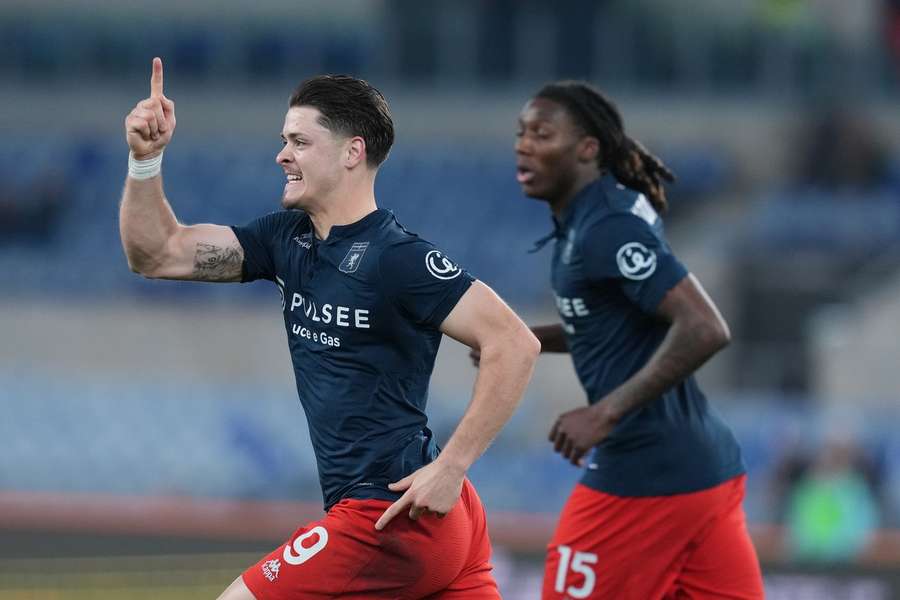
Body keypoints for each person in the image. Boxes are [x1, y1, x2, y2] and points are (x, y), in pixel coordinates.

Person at [120, 57, 540, 599]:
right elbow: (156, 254)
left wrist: (454, 465)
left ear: (352, 152)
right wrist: (145, 161)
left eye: (298, 141)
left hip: (387, 514)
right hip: (430, 518)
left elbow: (514, 343)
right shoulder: (285, 239)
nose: (282, 155)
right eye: (283, 140)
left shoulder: (399, 258)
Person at [508, 81, 764, 599]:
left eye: (542, 133)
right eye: (521, 133)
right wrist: (525, 339)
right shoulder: (592, 217)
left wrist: (604, 413)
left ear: (587, 149)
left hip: (643, 475)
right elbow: (611, 325)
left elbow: (703, 326)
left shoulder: (608, 226)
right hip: (700, 473)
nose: (524, 144)